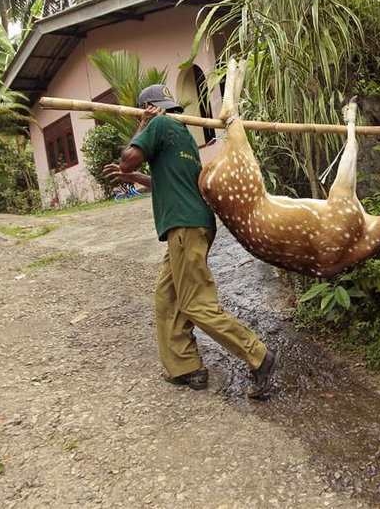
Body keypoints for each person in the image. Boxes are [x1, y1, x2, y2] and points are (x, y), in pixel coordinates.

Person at [102, 84, 279, 399]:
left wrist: (142, 123)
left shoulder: (157, 124)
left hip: (185, 227)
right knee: (167, 297)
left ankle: (258, 354)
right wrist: (135, 180)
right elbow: (168, 180)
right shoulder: (182, 133)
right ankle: (186, 367)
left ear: (149, 106)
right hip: (190, 226)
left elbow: (128, 158)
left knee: (195, 302)